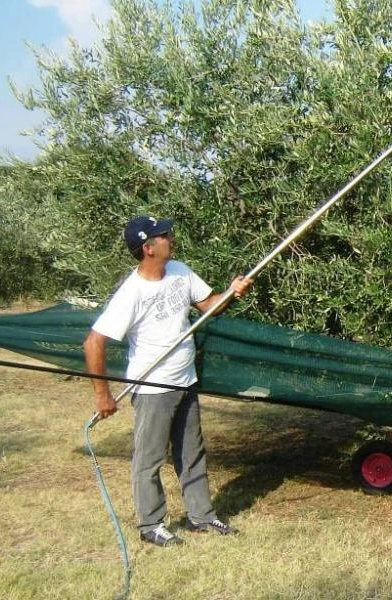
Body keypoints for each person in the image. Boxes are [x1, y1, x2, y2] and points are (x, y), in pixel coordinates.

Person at [83, 216, 253, 547]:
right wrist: (102, 394)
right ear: (147, 248)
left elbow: (208, 305)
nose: (171, 238)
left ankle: (201, 517)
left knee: (192, 452)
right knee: (149, 458)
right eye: (164, 236)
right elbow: (93, 342)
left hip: (184, 381)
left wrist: (232, 292)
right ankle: (151, 525)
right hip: (153, 388)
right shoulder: (132, 292)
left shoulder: (179, 270)